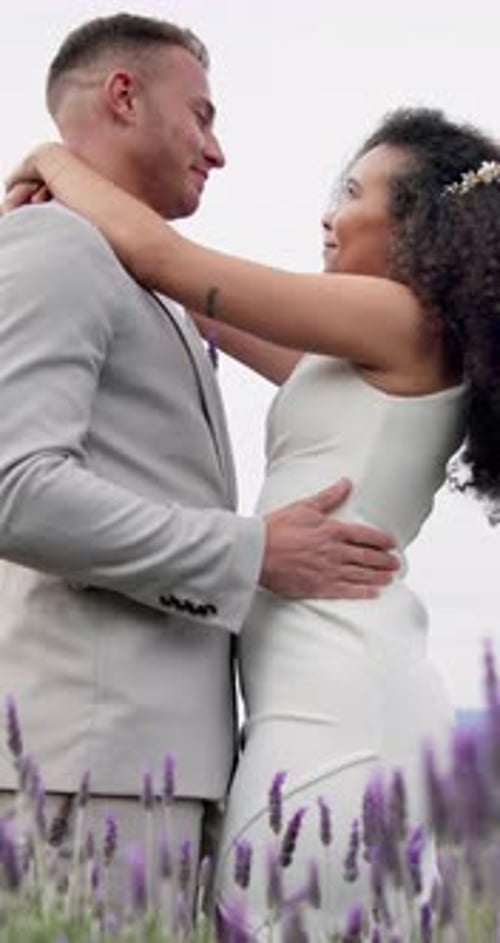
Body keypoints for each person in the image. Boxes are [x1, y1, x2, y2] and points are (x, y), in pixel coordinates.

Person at [7, 108, 500, 937]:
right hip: (315, 691)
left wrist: (50, 154)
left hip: (337, 703)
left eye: (351, 192)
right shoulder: (368, 350)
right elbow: (180, 294)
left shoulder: (399, 320)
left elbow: (171, 258)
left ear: (416, 222)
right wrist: (52, 221)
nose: (327, 214)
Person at [0, 12, 399, 914]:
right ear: (124, 95)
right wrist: (250, 553)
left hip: (167, 772)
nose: (217, 151)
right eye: (204, 115)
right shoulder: (51, 246)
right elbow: (13, 489)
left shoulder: (158, 288)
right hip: (88, 768)